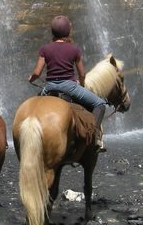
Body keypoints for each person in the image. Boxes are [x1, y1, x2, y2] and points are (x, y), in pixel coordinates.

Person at [29, 15, 108, 150]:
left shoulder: (45, 49)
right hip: (70, 87)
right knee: (100, 104)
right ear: (68, 31)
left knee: (32, 108)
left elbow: (37, 73)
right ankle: (94, 138)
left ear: (52, 32)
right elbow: (82, 73)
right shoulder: (74, 49)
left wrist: (31, 78)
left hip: (49, 87)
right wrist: (81, 83)